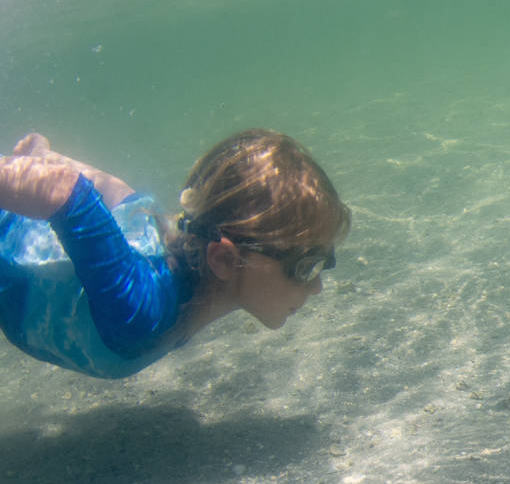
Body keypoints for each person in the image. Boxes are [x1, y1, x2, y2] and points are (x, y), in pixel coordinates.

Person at [0, 129, 350, 378]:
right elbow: (66, 192)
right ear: (224, 259)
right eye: (305, 265)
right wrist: (43, 168)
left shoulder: (174, 250)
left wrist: (46, 159)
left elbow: (120, 197)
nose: (317, 286)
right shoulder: (140, 310)